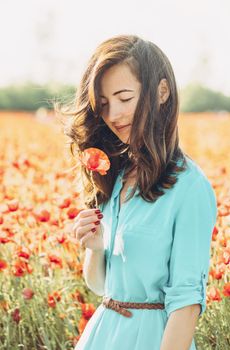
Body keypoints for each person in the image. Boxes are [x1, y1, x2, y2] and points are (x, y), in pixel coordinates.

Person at [62, 35, 217, 350]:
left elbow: (186, 305)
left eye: (124, 97)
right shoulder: (116, 177)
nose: (113, 115)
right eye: (103, 103)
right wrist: (95, 247)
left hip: (153, 339)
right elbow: (102, 287)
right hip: (102, 334)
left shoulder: (189, 187)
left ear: (161, 91)